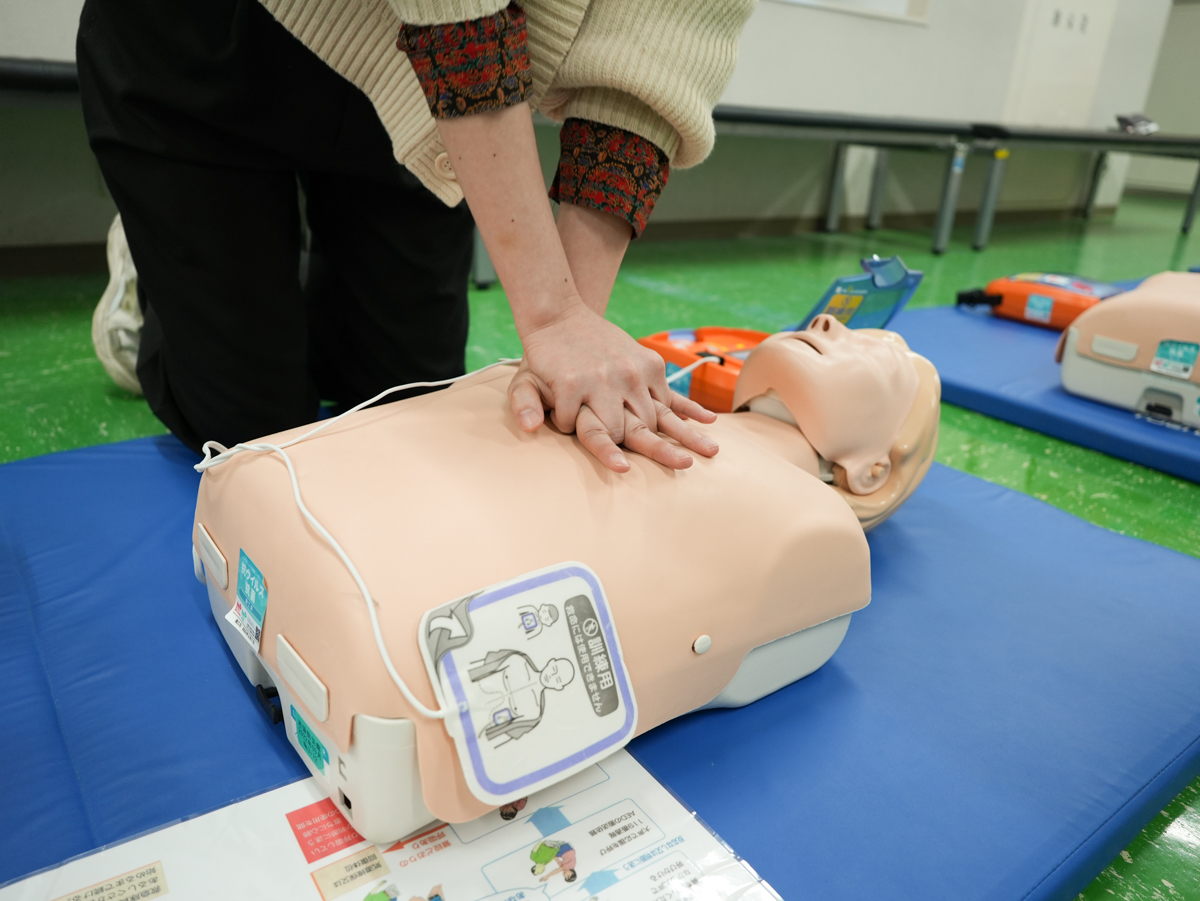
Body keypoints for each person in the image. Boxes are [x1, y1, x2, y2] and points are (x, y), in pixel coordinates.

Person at [78, 0, 755, 471]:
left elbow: (665, 34)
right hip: (205, 46)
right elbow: (455, 13)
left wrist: (570, 326)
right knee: (257, 436)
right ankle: (155, 261)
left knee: (405, 402)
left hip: (413, 99)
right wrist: (548, 311)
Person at [469, 651, 575, 743]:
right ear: (551, 662)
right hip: (470, 689)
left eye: (558, 680)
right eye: (554, 669)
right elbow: (480, 669)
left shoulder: (534, 712)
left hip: (478, 721)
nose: (551, 676)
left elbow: (499, 733)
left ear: (558, 687)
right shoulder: (518, 660)